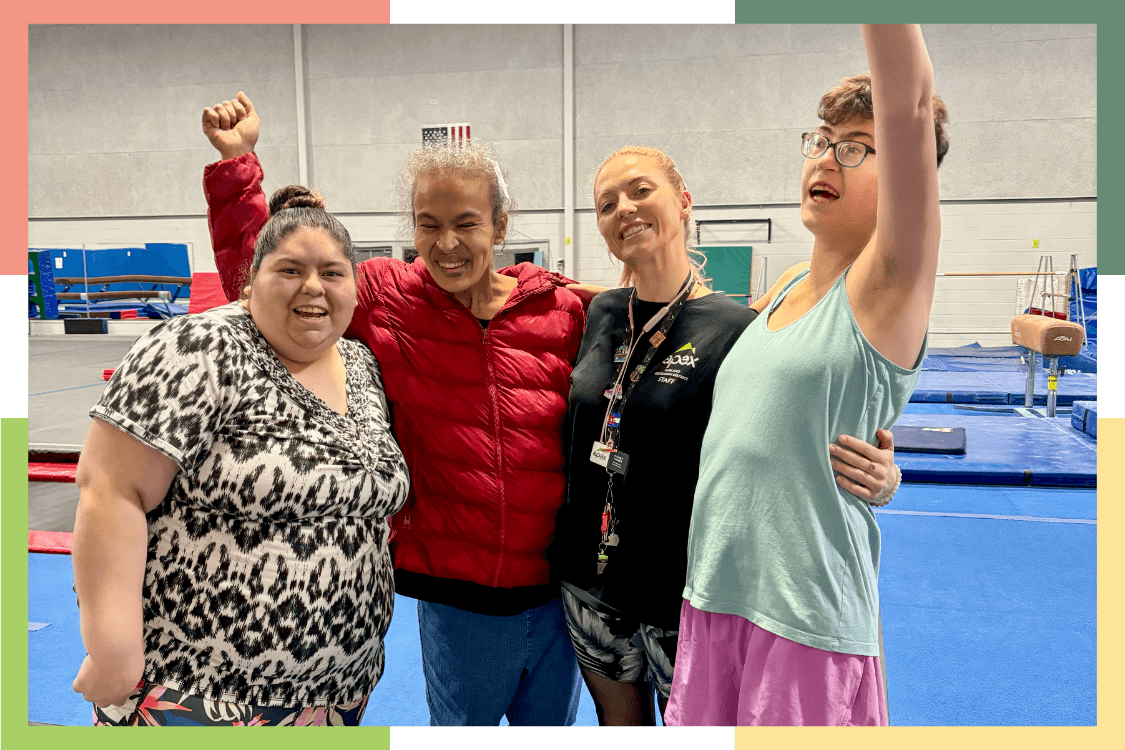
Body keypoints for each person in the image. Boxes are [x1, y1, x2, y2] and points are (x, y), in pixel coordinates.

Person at [201, 93, 584, 726]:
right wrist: (239, 165)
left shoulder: (560, 313)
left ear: (501, 224)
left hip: (556, 599)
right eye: (428, 223)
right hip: (458, 602)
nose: (447, 243)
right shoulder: (386, 298)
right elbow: (270, 284)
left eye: (466, 222)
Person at [553, 145, 901, 726]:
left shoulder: (741, 328)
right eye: (607, 203)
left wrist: (884, 469)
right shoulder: (596, 312)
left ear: (683, 202)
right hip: (591, 580)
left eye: (642, 191)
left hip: (684, 587)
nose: (625, 209)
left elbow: (806, 403)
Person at [665, 24, 948, 726]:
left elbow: (909, 107)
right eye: (821, 140)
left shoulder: (888, 284)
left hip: (802, 618)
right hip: (714, 597)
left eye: (855, 147)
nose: (827, 156)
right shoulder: (786, 283)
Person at [71, 187, 410, 726]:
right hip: (197, 692)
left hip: (338, 692)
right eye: (290, 269)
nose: (313, 287)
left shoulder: (360, 362)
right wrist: (112, 650)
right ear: (251, 279)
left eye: (332, 272)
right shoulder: (198, 346)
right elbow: (110, 488)